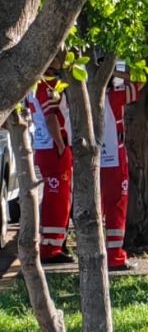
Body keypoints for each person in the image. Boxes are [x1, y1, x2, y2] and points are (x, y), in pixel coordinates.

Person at [28, 58, 75, 264]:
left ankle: (55, 243)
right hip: (54, 147)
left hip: (46, 146)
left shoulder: (35, 85)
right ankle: (50, 248)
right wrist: (61, 145)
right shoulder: (47, 85)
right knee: (58, 198)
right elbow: (51, 117)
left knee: (58, 196)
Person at [101, 66, 145, 271]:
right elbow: (140, 81)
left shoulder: (82, 98)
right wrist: (115, 71)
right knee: (117, 205)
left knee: (98, 206)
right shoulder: (114, 96)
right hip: (113, 158)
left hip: (91, 161)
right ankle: (115, 256)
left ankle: (98, 252)